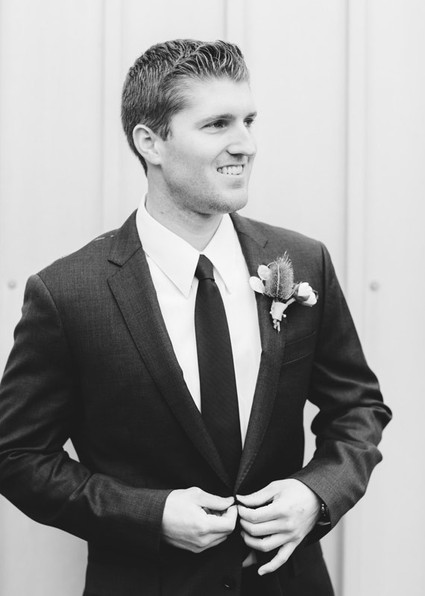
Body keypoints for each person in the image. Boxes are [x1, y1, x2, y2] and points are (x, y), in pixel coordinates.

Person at [0, 39, 391, 596]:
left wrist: (316, 492)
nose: (246, 144)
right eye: (217, 124)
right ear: (150, 142)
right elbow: (17, 455)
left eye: (249, 121)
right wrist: (149, 514)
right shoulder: (68, 293)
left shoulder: (304, 262)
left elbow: (358, 406)